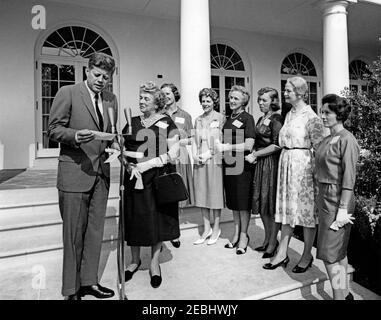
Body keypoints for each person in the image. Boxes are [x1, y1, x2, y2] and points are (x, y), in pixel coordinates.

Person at [48, 52, 117, 300]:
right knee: (73, 235)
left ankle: (89, 282)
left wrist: (116, 146)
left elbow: (110, 132)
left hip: (101, 174)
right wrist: (75, 136)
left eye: (106, 77)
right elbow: (54, 129)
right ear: (87, 71)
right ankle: (71, 289)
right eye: (97, 75)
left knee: (95, 232)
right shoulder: (68, 93)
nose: (101, 80)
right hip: (74, 172)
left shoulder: (111, 99)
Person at [263, 76, 324, 272]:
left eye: (288, 90)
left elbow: (320, 148)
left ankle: (307, 255)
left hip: (303, 168)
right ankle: (282, 253)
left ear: (299, 92)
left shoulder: (311, 116)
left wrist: (316, 176)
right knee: (287, 211)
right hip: (286, 163)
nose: (285, 93)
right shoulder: (289, 114)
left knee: (305, 213)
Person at [122, 81, 180, 289]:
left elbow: (174, 153)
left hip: (156, 178)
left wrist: (149, 164)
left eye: (146, 98)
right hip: (133, 179)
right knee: (134, 217)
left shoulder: (167, 123)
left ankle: (155, 262)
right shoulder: (132, 121)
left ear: (157, 103)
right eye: (140, 98)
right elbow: (120, 147)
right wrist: (128, 165)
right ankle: (134, 260)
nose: (141, 101)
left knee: (157, 219)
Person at [315, 94, 359, 300]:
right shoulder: (326, 138)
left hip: (338, 198)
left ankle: (338, 297)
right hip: (324, 198)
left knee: (329, 255)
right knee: (338, 253)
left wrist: (343, 209)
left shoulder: (347, 139)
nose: (323, 116)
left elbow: (349, 177)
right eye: (322, 112)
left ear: (339, 114)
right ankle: (344, 295)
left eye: (327, 113)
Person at [216, 85, 255, 254]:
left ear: (244, 101)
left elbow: (249, 144)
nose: (232, 101)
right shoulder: (228, 118)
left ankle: (244, 236)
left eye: (236, 98)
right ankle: (236, 233)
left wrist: (227, 146)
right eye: (231, 97)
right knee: (233, 202)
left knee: (242, 203)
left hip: (242, 166)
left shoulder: (247, 118)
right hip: (229, 164)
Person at [245, 87, 283, 258]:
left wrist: (255, 154)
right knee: (262, 205)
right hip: (260, 164)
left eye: (264, 100)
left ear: (273, 102)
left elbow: (277, 144)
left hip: (271, 164)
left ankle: (274, 242)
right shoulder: (262, 118)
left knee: (270, 204)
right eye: (259, 100)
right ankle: (268, 239)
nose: (260, 103)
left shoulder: (277, 118)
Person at [160, 83, 195, 249]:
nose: (165, 96)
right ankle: (162, 229)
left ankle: (174, 231)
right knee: (163, 195)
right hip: (162, 157)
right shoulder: (158, 114)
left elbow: (192, 138)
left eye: (168, 93)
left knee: (176, 196)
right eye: (163, 94)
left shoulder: (185, 115)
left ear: (175, 94)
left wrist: (181, 141)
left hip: (180, 157)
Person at [192, 88, 225, 245]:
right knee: (202, 193)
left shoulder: (220, 118)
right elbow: (193, 139)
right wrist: (194, 155)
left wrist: (208, 154)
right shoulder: (197, 119)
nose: (205, 104)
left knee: (215, 194)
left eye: (208, 101)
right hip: (200, 160)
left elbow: (223, 141)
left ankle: (216, 227)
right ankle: (206, 228)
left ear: (214, 102)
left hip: (214, 159)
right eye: (203, 101)